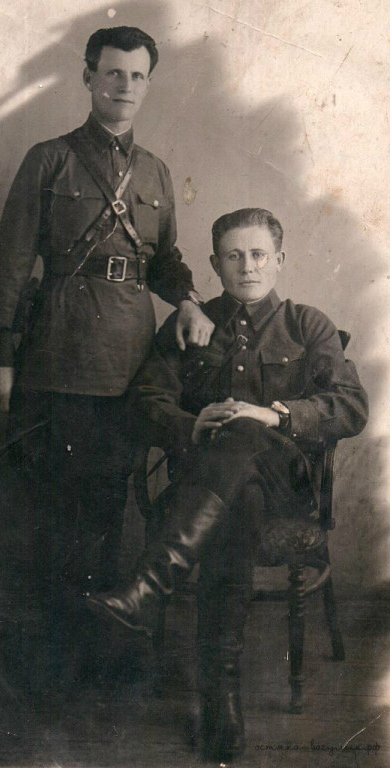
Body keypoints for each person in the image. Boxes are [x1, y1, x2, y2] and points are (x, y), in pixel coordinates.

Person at [0, 27, 214, 703]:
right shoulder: (49, 160)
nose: (124, 86)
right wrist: (0, 356)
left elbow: (164, 261)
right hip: (58, 358)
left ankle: (95, 654)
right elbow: (10, 261)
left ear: (148, 84)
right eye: (112, 73)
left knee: (110, 509)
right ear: (88, 78)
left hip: (129, 364)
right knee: (54, 513)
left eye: (137, 76)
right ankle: (48, 665)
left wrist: (189, 301)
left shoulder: (157, 173)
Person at [87, 207, 369, 760]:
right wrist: (190, 424)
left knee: (244, 432)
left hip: (286, 485)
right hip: (212, 491)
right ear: (215, 265)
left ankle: (151, 588)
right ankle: (222, 703)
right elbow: (145, 402)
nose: (248, 267)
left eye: (258, 254)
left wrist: (275, 415)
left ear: (279, 260)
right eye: (234, 256)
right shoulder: (190, 323)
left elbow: (351, 406)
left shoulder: (306, 325)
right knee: (237, 501)